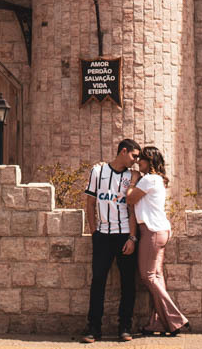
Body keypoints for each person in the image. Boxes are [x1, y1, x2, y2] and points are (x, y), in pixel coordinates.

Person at [81, 138, 141, 343]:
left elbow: (133, 209)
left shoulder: (132, 176)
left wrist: (132, 238)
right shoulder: (98, 172)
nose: (136, 160)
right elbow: (89, 203)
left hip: (125, 235)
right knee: (97, 282)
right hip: (103, 237)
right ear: (123, 151)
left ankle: (125, 327)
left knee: (128, 283)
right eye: (134, 155)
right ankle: (93, 329)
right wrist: (94, 232)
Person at [126, 145, 189, 337]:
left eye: (142, 159)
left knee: (147, 276)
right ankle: (158, 323)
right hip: (159, 230)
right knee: (157, 277)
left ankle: (176, 318)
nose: (138, 162)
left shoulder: (149, 179)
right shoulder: (157, 179)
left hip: (152, 231)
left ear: (150, 162)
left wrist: (133, 180)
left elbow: (129, 199)